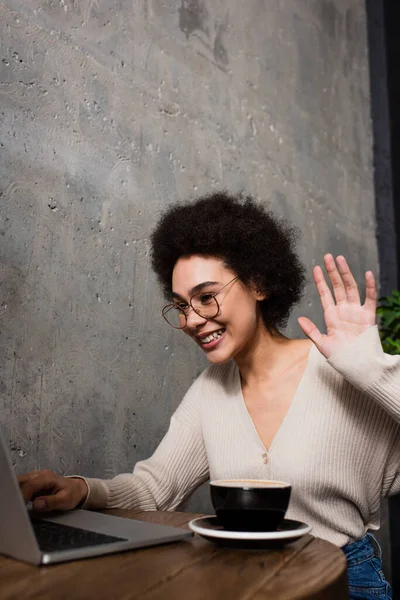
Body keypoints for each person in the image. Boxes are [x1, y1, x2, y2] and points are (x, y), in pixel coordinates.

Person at [19, 192, 398, 599]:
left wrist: (368, 368)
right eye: (181, 305)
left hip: (344, 582)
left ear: (258, 283)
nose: (192, 320)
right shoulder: (209, 390)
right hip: (240, 580)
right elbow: (155, 490)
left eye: (206, 296)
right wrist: (81, 489)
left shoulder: (343, 370)